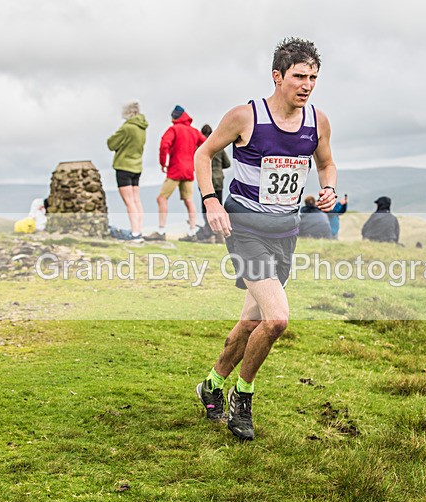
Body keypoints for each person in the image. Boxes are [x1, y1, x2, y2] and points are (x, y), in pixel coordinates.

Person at [193, 37, 337, 440]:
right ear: (278, 76)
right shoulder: (246, 116)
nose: (306, 85)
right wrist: (211, 202)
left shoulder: (318, 122)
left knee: (251, 321)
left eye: (313, 77)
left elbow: (326, 163)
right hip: (245, 228)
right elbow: (203, 155)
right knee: (276, 319)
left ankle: (211, 383)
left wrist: (328, 189)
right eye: (298, 76)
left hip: (284, 232)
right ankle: (244, 396)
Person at [144, 105, 206, 241]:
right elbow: (207, 144)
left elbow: (164, 145)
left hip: (175, 169)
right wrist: (196, 159)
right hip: (189, 170)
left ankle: (161, 231)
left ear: (174, 117)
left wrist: (163, 163)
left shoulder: (173, 129)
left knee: (161, 198)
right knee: (189, 200)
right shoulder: (194, 132)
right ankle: (192, 232)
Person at [107, 100, 148, 243]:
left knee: (129, 201)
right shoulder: (142, 127)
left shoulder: (127, 128)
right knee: (136, 200)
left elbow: (111, 144)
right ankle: (139, 230)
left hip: (124, 166)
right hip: (137, 166)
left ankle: (135, 233)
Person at [195, 124, 231, 243]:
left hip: (205, 181)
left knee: (206, 207)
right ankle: (220, 235)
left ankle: (209, 232)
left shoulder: (200, 147)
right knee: (218, 206)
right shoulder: (219, 146)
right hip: (218, 179)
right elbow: (227, 164)